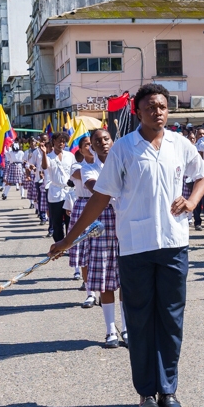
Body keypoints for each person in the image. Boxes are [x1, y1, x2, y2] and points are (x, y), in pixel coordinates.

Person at [50, 84, 204, 407]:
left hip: (174, 246)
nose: (158, 112)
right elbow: (99, 198)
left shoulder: (180, 145)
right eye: (151, 106)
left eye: (163, 106)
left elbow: (203, 175)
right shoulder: (124, 149)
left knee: (171, 320)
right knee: (139, 321)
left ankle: (168, 389)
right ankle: (146, 392)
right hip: (135, 247)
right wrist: (67, 240)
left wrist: (192, 201)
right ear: (137, 111)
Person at [83, 128, 126, 346]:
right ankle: (111, 330)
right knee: (106, 279)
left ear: (113, 140)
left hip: (127, 220)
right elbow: (97, 190)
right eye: (97, 141)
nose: (103, 143)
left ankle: (126, 328)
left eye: (106, 139)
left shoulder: (125, 159)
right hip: (104, 221)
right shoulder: (88, 167)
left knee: (127, 280)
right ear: (91, 145)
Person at [70, 135, 100, 294]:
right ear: (80, 150)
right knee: (84, 249)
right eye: (87, 145)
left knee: (102, 249)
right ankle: (90, 292)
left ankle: (103, 290)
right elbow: (82, 176)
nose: (91, 147)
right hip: (84, 204)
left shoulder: (103, 163)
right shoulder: (77, 166)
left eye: (92, 144)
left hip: (103, 205)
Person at [41, 132, 76, 244]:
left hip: (69, 192)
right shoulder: (49, 157)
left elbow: (74, 169)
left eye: (63, 141)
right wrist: (44, 154)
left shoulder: (70, 155)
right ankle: (59, 244)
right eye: (59, 141)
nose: (61, 143)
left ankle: (69, 244)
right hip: (55, 192)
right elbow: (45, 166)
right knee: (56, 221)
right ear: (53, 142)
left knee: (70, 220)